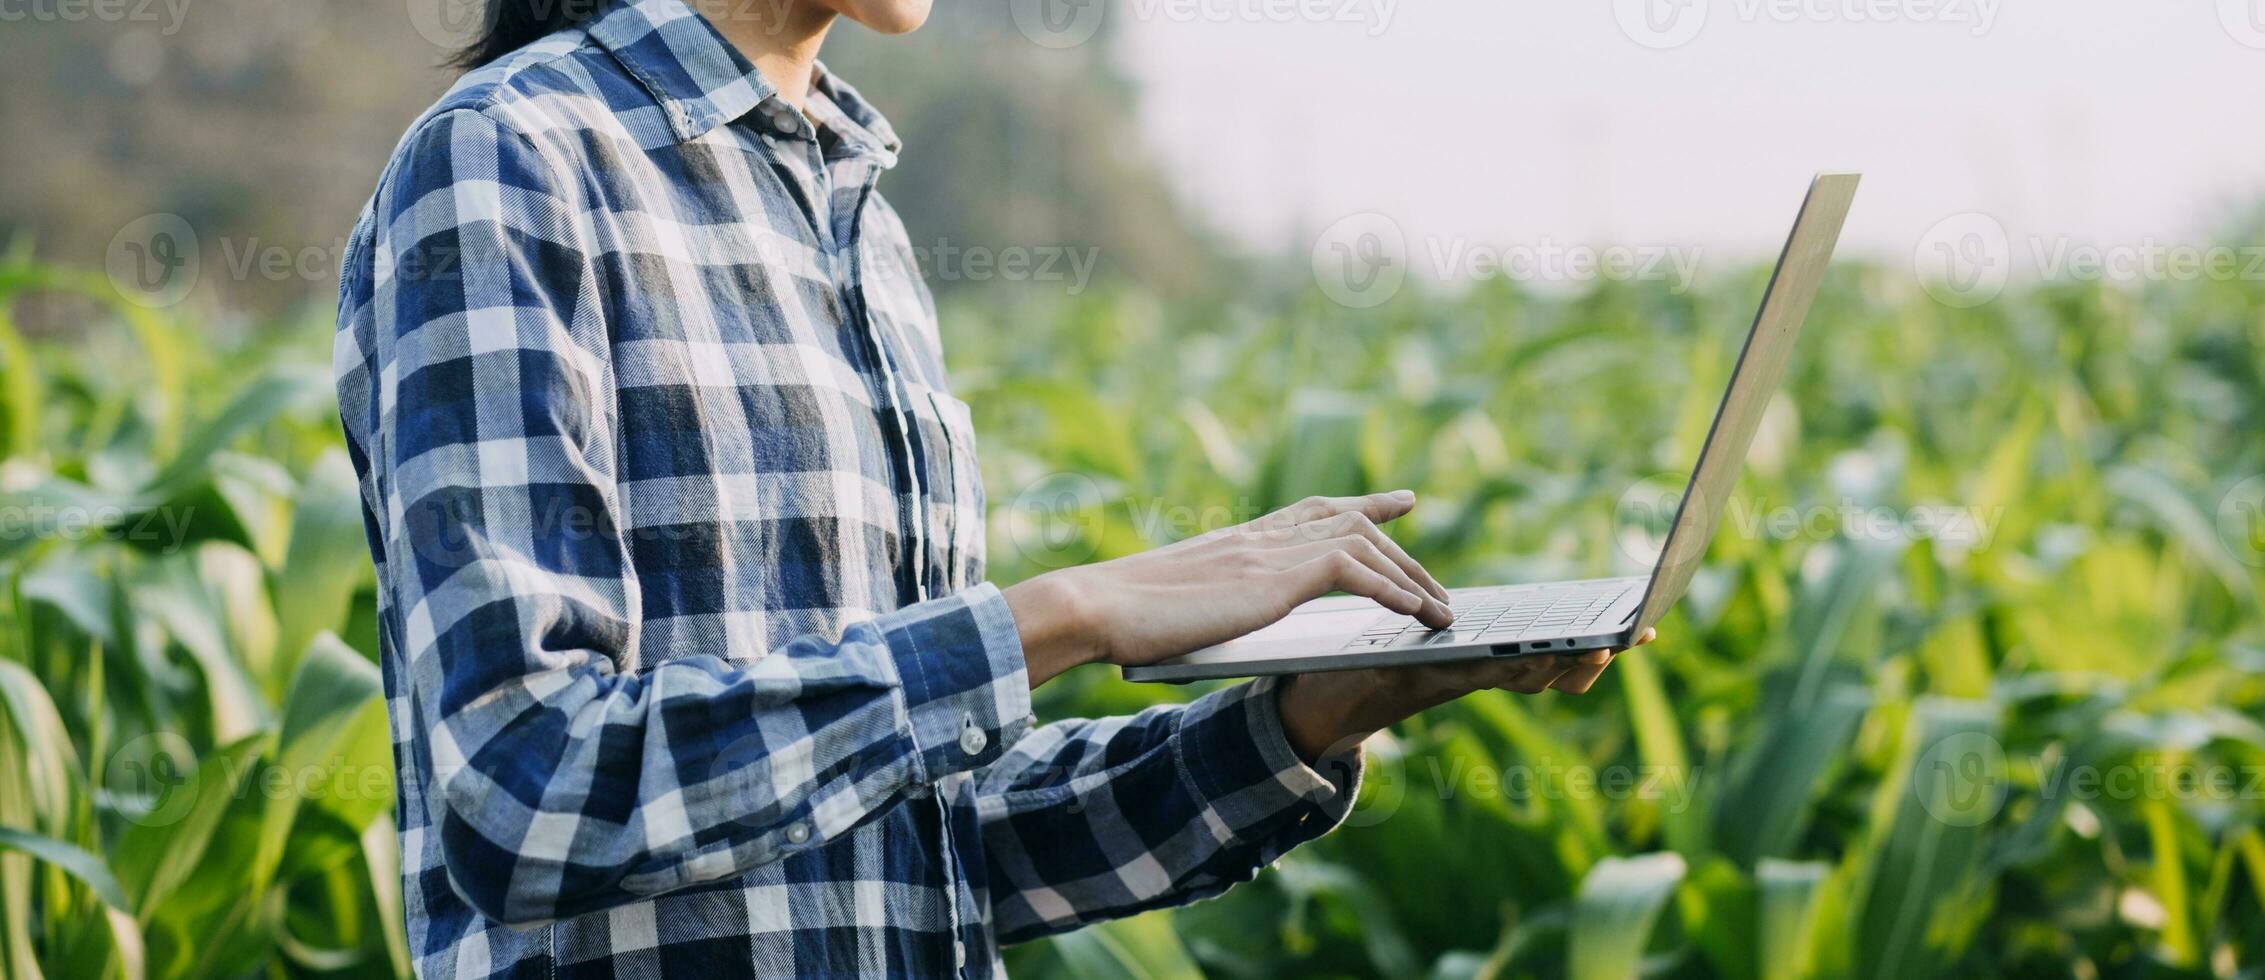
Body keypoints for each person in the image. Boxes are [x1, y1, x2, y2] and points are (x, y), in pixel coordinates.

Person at [333, 0, 1653, 975]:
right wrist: (1068, 614)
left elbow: (931, 846)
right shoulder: (509, 163)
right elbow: (522, 793)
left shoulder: (855, 215)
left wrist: (1311, 716)